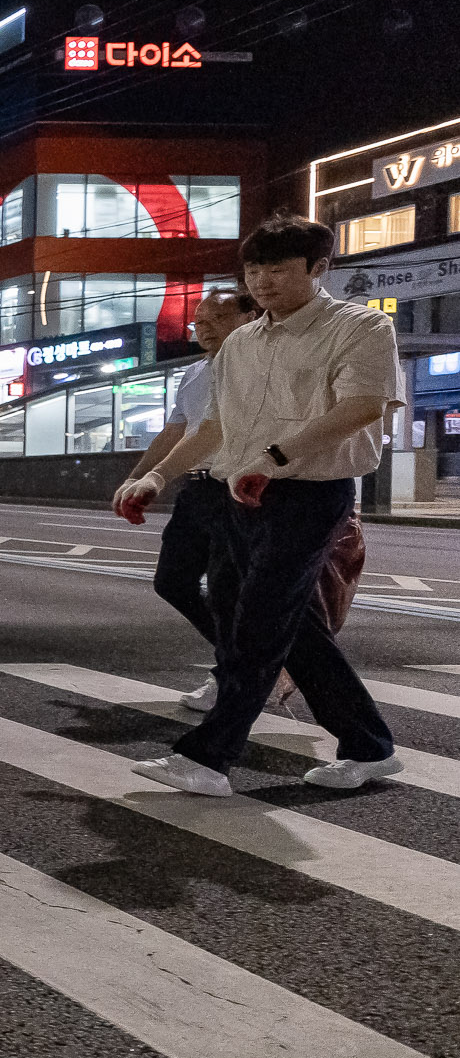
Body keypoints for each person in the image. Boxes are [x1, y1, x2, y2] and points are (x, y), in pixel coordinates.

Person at [113, 214, 402, 795]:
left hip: (309, 493)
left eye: (278, 269)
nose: (263, 281)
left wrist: (274, 457)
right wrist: (156, 477)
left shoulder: (358, 328)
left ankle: (206, 756)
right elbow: (216, 426)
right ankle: (369, 746)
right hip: (235, 494)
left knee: (258, 624)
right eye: (254, 269)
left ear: (318, 269)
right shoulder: (242, 341)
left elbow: (364, 406)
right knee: (281, 626)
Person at [117, 286, 261, 710]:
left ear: (248, 318)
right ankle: (247, 663)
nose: (206, 329)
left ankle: (237, 673)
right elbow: (177, 429)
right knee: (172, 582)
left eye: (218, 319)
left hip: (238, 486)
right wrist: (137, 477)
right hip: (198, 486)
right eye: (200, 322)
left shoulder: (255, 367)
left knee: (226, 590)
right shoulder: (196, 372)